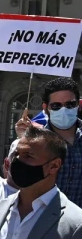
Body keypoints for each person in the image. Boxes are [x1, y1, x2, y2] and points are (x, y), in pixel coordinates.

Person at [40, 76, 82, 206]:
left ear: (79, 105)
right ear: (46, 108)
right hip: (44, 222)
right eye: (56, 106)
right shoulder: (35, 143)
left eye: (70, 104)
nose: (64, 110)